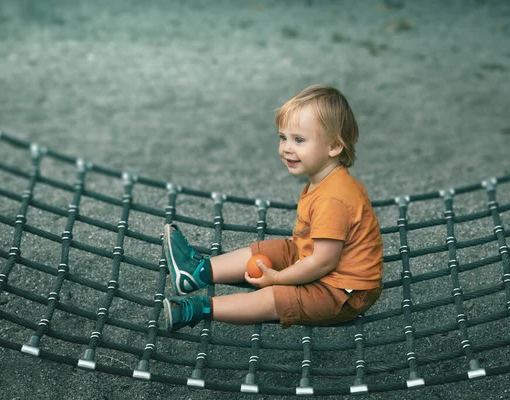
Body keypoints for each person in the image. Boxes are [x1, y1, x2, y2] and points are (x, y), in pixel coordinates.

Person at [162, 84, 383, 331]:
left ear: (333, 146)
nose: (287, 147)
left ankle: (199, 309)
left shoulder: (334, 198)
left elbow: (322, 263)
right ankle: (196, 272)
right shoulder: (324, 180)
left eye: (299, 140)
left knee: (275, 298)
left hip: (343, 292)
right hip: (317, 262)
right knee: (276, 249)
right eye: (283, 137)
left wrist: (277, 279)